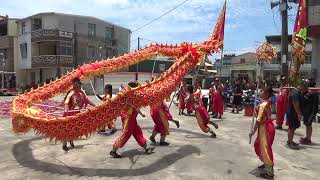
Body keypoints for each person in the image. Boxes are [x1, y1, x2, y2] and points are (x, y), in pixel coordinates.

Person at [110, 82, 154, 158]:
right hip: (128, 118)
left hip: (132, 118)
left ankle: (146, 148)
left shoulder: (133, 95)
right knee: (125, 134)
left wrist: (141, 114)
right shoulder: (129, 96)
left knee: (137, 131)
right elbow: (133, 106)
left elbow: (136, 107)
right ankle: (113, 150)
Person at [249, 86, 275, 179]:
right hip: (268, 127)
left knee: (265, 149)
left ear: (267, 93)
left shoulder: (264, 104)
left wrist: (253, 131)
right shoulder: (267, 102)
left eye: (262, 91)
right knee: (258, 145)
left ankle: (270, 173)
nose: (260, 92)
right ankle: (265, 162)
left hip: (265, 128)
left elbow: (258, 120)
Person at [63, 77, 95, 151]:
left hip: (77, 114)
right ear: (74, 85)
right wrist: (66, 111)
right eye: (78, 85)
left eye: (80, 85)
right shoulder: (71, 94)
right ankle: (64, 144)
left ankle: (71, 140)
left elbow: (88, 101)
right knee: (67, 129)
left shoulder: (81, 94)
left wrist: (96, 106)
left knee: (74, 129)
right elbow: (66, 103)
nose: (80, 87)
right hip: (70, 115)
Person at [286, 81, 308, 149]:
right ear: (302, 86)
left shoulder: (296, 92)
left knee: (293, 128)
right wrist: (299, 114)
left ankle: (290, 141)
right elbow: (296, 104)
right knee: (291, 128)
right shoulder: (295, 93)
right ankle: (289, 143)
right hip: (293, 113)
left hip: (293, 112)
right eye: (305, 87)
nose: (306, 89)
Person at [299, 80, 318, 145]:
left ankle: (308, 139)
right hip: (306, 112)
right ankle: (307, 137)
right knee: (307, 125)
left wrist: (312, 114)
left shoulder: (313, 93)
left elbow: (314, 106)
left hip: (310, 112)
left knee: (308, 125)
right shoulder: (305, 93)